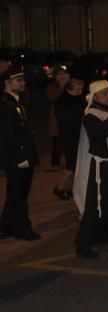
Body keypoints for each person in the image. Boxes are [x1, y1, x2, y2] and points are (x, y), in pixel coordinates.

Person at [72, 80, 108, 258]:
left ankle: (103, 235)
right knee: (95, 205)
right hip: (101, 166)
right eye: (104, 94)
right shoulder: (91, 115)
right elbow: (101, 132)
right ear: (95, 97)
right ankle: (84, 243)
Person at [0, 65, 41, 241]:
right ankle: (22, 229)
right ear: (7, 83)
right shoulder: (4, 103)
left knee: (16, 193)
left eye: (22, 79)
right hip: (17, 156)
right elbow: (6, 134)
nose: (23, 83)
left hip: (23, 154)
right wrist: (20, 156)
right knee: (19, 195)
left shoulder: (15, 100)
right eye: (19, 80)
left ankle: (5, 227)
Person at [54, 78, 86, 201]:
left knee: (74, 165)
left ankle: (69, 188)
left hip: (76, 137)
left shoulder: (78, 98)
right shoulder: (63, 101)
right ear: (69, 88)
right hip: (69, 138)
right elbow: (67, 120)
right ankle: (60, 187)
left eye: (81, 89)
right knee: (71, 165)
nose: (80, 91)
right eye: (77, 89)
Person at [45, 66, 70, 169]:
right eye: (59, 74)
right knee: (57, 141)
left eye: (63, 73)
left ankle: (70, 162)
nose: (61, 76)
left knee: (69, 139)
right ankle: (55, 162)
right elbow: (52, 97)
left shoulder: (70, 85)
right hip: (57, 116)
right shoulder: (51, 87)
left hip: (69, 115)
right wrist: (61, 86)